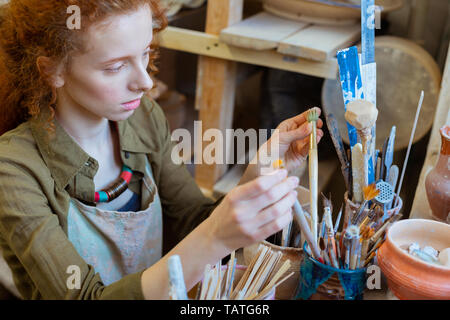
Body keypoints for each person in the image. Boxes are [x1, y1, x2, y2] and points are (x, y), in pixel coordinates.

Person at [0, 0, 323, 299]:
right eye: (115, 67)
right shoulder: (13, 170)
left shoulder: (143, 119)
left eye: (145, 54)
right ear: (51, 70)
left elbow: (192, 219)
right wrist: (215, 237)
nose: (145, 82)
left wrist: (256, 174)